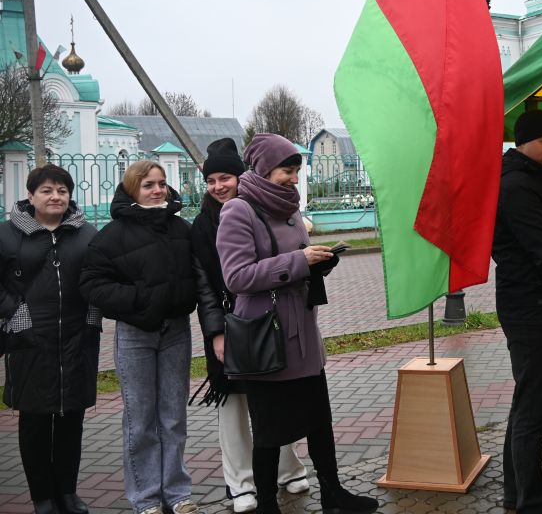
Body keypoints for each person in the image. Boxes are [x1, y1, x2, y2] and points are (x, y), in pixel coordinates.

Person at [216, 133, 378, 514]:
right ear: (263, 169)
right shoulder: (239, 211)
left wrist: (320, 262)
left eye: (295, 171)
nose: (292, 178)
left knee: (319, 420)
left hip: (303, 333)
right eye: (286, 171)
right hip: (268, 338)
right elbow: (236, 278)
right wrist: (299, 262)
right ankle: (268, 503)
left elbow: (299, 263)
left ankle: (334, 495)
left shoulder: (290, 209)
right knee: (270, 432)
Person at [191, 139, 311, 513]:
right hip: (229, 325)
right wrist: (216, 332)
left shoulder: (260, 209)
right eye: (210, 180)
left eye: (224, 177)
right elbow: (205, 286)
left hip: (265, 319)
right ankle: (240, 483)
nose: (217, 186)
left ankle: (287, 468)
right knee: (232, 405)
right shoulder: (201, 225)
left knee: (275, 400)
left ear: (241, 177)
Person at [79, 161, 200, 514]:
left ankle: (178, 494)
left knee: (174, 417)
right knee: (140, 418)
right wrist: (139, 301)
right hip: (135, 335)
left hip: (176, 331)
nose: (158, 190)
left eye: (162, 183)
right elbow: (92, 284)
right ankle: (146, 498)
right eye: (149, 185)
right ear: (133, 189)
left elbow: (198, 272)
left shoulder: (181, 228)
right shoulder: (112, 235)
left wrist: (183, 297)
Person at [0, 166, 99, 514]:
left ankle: (68, 493)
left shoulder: (86, 233)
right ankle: (43, 496)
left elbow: (100, 277)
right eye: (46, 190)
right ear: (31, 196)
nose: (55, 196)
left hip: (78, 337)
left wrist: (95, 312)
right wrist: (15, 312)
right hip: (30, 339)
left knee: (72, 418)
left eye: (61, 190)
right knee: (35, 420)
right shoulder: (8, 235)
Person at [493, 108, 542, 514]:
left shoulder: (525, 180)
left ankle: (517, 494)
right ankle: (530, 501)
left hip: (531, 302)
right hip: (530, 306)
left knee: (527, 402)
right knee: (532, 406)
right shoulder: (518, 186)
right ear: (523, 143)